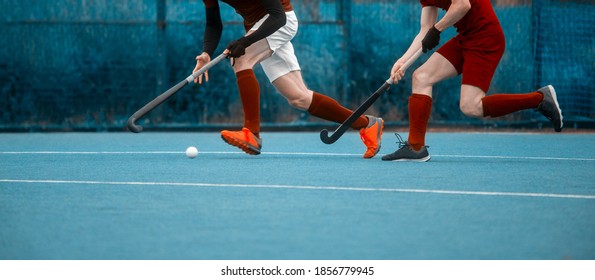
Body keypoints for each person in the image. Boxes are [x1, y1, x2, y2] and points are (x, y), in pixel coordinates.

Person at [193, 0, 384, 158]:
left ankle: (251, 133)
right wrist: (206, 53)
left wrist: (245, 42)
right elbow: (213, 23)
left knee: (241, 59)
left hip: (279, 22)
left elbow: (278, 16)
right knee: (298, 98)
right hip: (258, 28)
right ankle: (367, 124)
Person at [382, 0, 563, 162]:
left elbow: (463, 5)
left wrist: (437, 29)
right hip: (466, 37)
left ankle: (539, 99)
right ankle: (415, 147)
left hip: (486, 38)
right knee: (421, 77)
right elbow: (425, 29)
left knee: (471, 106)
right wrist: (402, 62)